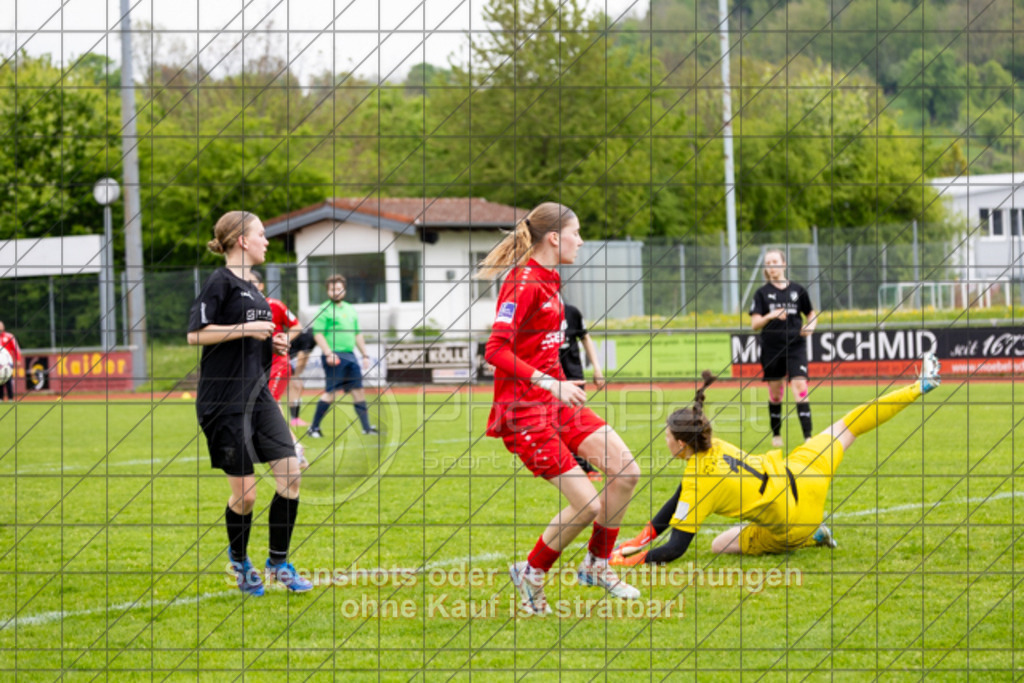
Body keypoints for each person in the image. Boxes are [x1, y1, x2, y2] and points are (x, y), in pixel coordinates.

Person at [610, 354, 942, 566]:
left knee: (718, 543)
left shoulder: (699, 480)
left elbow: (676, 549)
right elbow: (678, 498)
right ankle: (919, 386)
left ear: (682, 444)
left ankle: (812, 535)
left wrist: (634, 560)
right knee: (849, 424)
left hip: (791, 526)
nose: (664, 438)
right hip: (802, 473)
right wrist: (644, 535)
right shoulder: (714, 444)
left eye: (667, 435)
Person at [478, 201, 642, 616]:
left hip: (556, 402)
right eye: (577, 232)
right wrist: (550, 381)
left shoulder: (551, 280)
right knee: (587, 505)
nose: (581, 240)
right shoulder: (523, 282)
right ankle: (531, 574)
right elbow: (494, 350)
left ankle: (597, 565)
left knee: (626, 471)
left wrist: (558, 384)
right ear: (555, 237)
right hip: (523, 411)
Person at [187, 210, 313, 596]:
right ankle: (241, 562)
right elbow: (196, 335)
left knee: (290, 475)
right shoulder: (219, 282)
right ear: (241, 239)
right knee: (246, 497)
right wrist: (247, 329)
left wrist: (268, 341)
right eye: (261, 234)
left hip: (258, 396)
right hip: (223, 402)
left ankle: (278, 562)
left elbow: (251, 337)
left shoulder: (256, 290)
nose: (266, 240)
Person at [750, 248, 818, 448]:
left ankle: (808, 437)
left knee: (800, 386)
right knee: (776, 393)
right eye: (768, 263)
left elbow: (811, 313)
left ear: (784, 264)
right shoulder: (762, 294)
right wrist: (770, 316)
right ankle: (776, 434)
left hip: (795, 346)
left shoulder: (798, 290)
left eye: (775, 262)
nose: (771, 267)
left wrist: (810, 326)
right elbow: (755, 324)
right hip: (771, 348)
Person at [247, 270, 308, 471]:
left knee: (270, 405)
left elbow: (297, 326)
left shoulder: (275, 305)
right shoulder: (244, 308)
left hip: (278, 363)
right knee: (271, 405)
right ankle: (292, 447)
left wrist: (283, 342)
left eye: (253, 282)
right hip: (259, 366)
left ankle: (294, 448)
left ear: (262, 285)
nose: (250, 285)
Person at [306, 274, 377, 438]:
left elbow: (357, 334)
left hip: (350, 355)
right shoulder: (324, 309)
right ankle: (314, 428)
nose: (336, 292)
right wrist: (328, 353)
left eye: (339, 289)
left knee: (358, 390)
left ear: (344, 290)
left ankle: (366, 428)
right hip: (333, 356)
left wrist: (365, 354)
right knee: (330, 392)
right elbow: (318, 334)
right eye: (332, 289)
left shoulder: (350, 309)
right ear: (327, 291)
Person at [559, 303, 606, 482]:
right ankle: (582, 466)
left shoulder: (571, 312)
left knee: (575, 423)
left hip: (574, 376)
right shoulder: (536, 312)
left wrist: (597, 369)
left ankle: (583, 465)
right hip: (552, 381)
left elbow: (585, 337)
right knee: (559, 425)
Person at [286, 327, 317, 427]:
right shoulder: (311, 336)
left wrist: (299, 374)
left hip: (290, 360)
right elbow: (301, 356)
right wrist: (295, 376)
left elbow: (305, 356)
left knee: (298, 386)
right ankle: (294, 419)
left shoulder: (312, 336)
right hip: (285, 359)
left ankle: (295, 418)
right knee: (294, 387)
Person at [0, 321, 21, 401]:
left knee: (8, 380)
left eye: (1, 325)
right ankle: (0, 398)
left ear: (3, 326)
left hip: (7, 363)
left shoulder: (9, 336)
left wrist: (18, 359)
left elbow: (16, 348)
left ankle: (10, 398)